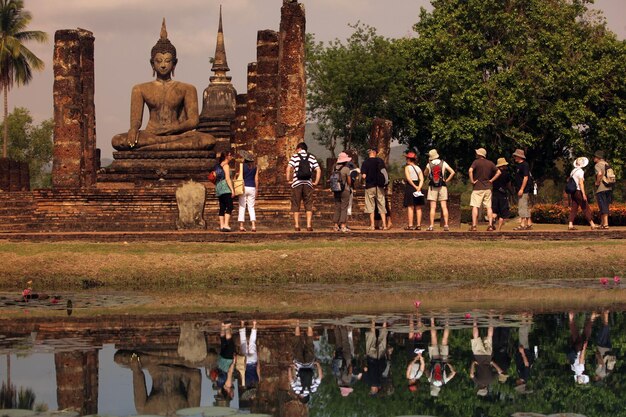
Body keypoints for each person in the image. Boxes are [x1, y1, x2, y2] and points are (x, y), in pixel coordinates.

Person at [111, 20, 215, 151]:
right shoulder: (140, 89)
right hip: (151, 134)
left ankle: (153, 147)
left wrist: (174, 129)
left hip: (178, 134)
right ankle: (164, 146)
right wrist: (133, 130)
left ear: (174, 63)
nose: (163, 65)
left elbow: (193, 121)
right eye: (159, 61)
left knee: (207, 140)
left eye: (168, 61)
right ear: (152, 63)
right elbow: (136, 121)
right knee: (117, 140)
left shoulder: (187, 88)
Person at [286, 142, 321, 232]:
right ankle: (309, 225)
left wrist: (288, 180)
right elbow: (318, 170)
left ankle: (297, 225)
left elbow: (288, 168)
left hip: (296, 183)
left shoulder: (295, 157)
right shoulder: (312, 157)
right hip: (308, 184)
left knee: (296, 204)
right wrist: (316, 182)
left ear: (299, 148)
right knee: (308, 204)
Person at [289, 321, 323, 403]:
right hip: (298, 363)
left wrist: (318, 365)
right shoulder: (297, 391)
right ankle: (297, 323)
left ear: (308, 396)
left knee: (309, 343)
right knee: (297, 343)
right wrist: (290, 368)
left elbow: (320, 377)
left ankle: (309, 324)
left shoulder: (313, 389)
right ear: (300, 397)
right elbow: (290, 379)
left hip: (310, 363)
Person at [469, 321, 506, 397]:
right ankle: (475, 321)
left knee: (489, 337)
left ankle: (491, 319)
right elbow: (471, 375)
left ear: (486, 388)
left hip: (488, 356)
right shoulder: (478, 381)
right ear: (480, 388)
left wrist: (492, 363)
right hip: (478, 357)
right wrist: (473, 364)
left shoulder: (491, 380)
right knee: (475, 338)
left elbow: (500, 371)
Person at [423, 149, 455, 231]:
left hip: (432, 186)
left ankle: (431, 226)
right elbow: (452, 172)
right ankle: (446, 225)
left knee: (433, 207)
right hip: (442, 186)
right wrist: (446, 180)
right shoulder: (443, 163)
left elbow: (425, 174)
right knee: (444, 206)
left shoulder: (429, 164)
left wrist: (428, 164)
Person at [468, 148, 500, 231]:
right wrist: (491, 180)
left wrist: (472, 181)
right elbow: (499, 172)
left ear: (479, 154)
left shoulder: (476, 162)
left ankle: (474, 225)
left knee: (475, 206)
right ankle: (490, 225)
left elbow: (470, 170)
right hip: (487, 188)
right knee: (489, 207)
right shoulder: (490, 163)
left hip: (477, 187)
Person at [426, 317, 456, 397]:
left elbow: (453, 373)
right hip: (434, 359)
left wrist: (448, 364)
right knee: (434, 338)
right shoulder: (430, 380)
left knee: (444, 339)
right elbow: (425, 370)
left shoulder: (444, 381)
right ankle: (432, 320)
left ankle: (447, 321)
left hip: (444, 360)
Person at [361, 148, 389, 230]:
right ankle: (384, 225)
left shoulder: (365, 162)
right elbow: (384, 172)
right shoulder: (380, 161)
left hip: (370, 186)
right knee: (382, 205)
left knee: (370, 206)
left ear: (369, 153)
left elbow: (364, 176)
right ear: (375, 153)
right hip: (380, 186)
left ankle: (372, 225)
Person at [567, 157, 598, 230]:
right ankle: (592, 224)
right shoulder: (580, 171)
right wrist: (583, 193)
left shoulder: (573, 171)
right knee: (585, 207)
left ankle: (570, 224)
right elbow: (581, 183)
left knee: (574, 208)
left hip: (573, 192)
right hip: (578, 191)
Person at [209, 322, 237, 399]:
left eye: (232, 394)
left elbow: (230, 372)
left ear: (228, 393)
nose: (233, 393)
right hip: (220, 361)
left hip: (227, 361)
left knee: (229, 343)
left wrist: (234, 362)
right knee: (223, 341)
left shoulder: (228, 385)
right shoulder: (219, 384)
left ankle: (227, 327)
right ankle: (222, 326)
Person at [568, 311, 595, 384]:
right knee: (575, 334)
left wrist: (584, 347)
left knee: (586, 335)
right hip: (573, 348)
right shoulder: (573, 369)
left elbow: (581, 358)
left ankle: (592, 317)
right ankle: (571, 317)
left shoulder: (581, 369)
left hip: (579, 349)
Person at [362, 319, 388, 396]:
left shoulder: (382, 381)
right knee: (371, 338)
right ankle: (373, 320)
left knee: (382, 339)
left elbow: (385, 371)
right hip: (371, 358)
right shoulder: (368, 381)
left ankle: (384, 322)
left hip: (380, 358)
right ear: (373, 389)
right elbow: (365, 369)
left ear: (377, 389)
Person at [237, 151, 259, 232]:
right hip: (252, 187)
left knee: (242, 206)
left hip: (243, 187)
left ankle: (241, 226)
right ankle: (253, 226)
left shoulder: (242, 166)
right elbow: (256, 179)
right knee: (251, 207)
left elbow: (240, 177)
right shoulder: (255, 167)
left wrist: (237, 174)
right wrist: (257, 189)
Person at [403, 151, 425, 230]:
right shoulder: (418, 168)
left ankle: (410, 225)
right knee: (418, 207)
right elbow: (422, 179)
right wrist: (419, 187)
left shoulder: (407, 167)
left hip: (410, 187)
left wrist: (414, 186)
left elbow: (408, 179)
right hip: (418, 186)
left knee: (410, 206)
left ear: (408, 159)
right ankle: (418, 225)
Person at [331, 152, 353, 232]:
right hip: (344, 190)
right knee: (344, 207)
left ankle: (335, 225)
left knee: (337, 207)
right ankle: (343, 225)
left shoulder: (334, 168)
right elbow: (349, 181)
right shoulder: (346, 169)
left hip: (336, 189)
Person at [512, 149, 533, 230]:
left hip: (524, 189)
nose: (515, 157)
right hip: (520, 188)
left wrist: (522, 189)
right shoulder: (518, 165)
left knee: (522, 206)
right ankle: (529, 223)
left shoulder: (525, 165)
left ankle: (522, 224)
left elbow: (526, 177)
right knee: (525, 205)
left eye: (516, 156)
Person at [593, 310, 617, 382]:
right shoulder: (598, 372)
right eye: (594, 378)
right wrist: (597, 354)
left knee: (605, 330)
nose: (594, 377)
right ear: (597, 379)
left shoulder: (606, 374)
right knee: (604, 329)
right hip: (601, 348)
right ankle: (606, 313)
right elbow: (601, 363)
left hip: (608, 350)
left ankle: (603, 314)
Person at [215, 150, 235, 232]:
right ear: (226, 156)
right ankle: (226, 225)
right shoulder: (226, 165)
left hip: (219, 188)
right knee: (230, 206)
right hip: (225, 188)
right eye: (230, 155)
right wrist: (232, 190)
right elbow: (227, 179)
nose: (231, 157)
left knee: (222, 207)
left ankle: (222, 225)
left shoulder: (218, 165)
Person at [593, 150, 613, 229]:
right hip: (609, 187)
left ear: (598, 157)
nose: (593, 158)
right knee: (605, 205)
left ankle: (606, 224)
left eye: (594, 157)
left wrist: (597, 182)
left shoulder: (597, 165)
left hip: (601, 188)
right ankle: (602, 223)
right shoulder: (607, 164)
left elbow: (600, 174)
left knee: (602, 205)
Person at [239, 320, 261, 389]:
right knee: (243, 342)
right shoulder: (244, 382)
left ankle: (254, 324)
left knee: (252, 342)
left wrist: (258, 359)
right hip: (246, 362)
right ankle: (242, 323)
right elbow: (242, 371)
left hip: (254, 361)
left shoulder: (257, 381)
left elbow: (258, 369)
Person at [491, 158, 512, 231]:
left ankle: (491, 223)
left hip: (495, 194)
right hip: (503, 194)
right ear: (502, 166)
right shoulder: (506, 174)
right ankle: (499, 228)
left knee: (494, 211)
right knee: (502, 213)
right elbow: (508, 184)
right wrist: (511, 191)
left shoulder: (493, 174)